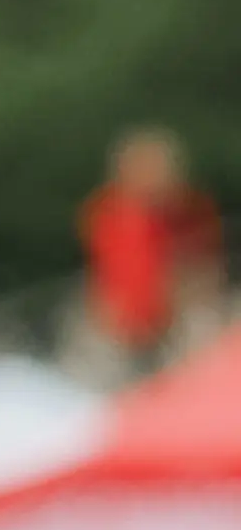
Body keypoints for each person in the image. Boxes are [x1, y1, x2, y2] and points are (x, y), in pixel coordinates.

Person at [79, 127, 221, 377]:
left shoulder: (190, 210)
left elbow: (204, 267)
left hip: (178, 319)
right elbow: (106, 274)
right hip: (124, 326)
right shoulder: (107, 212)